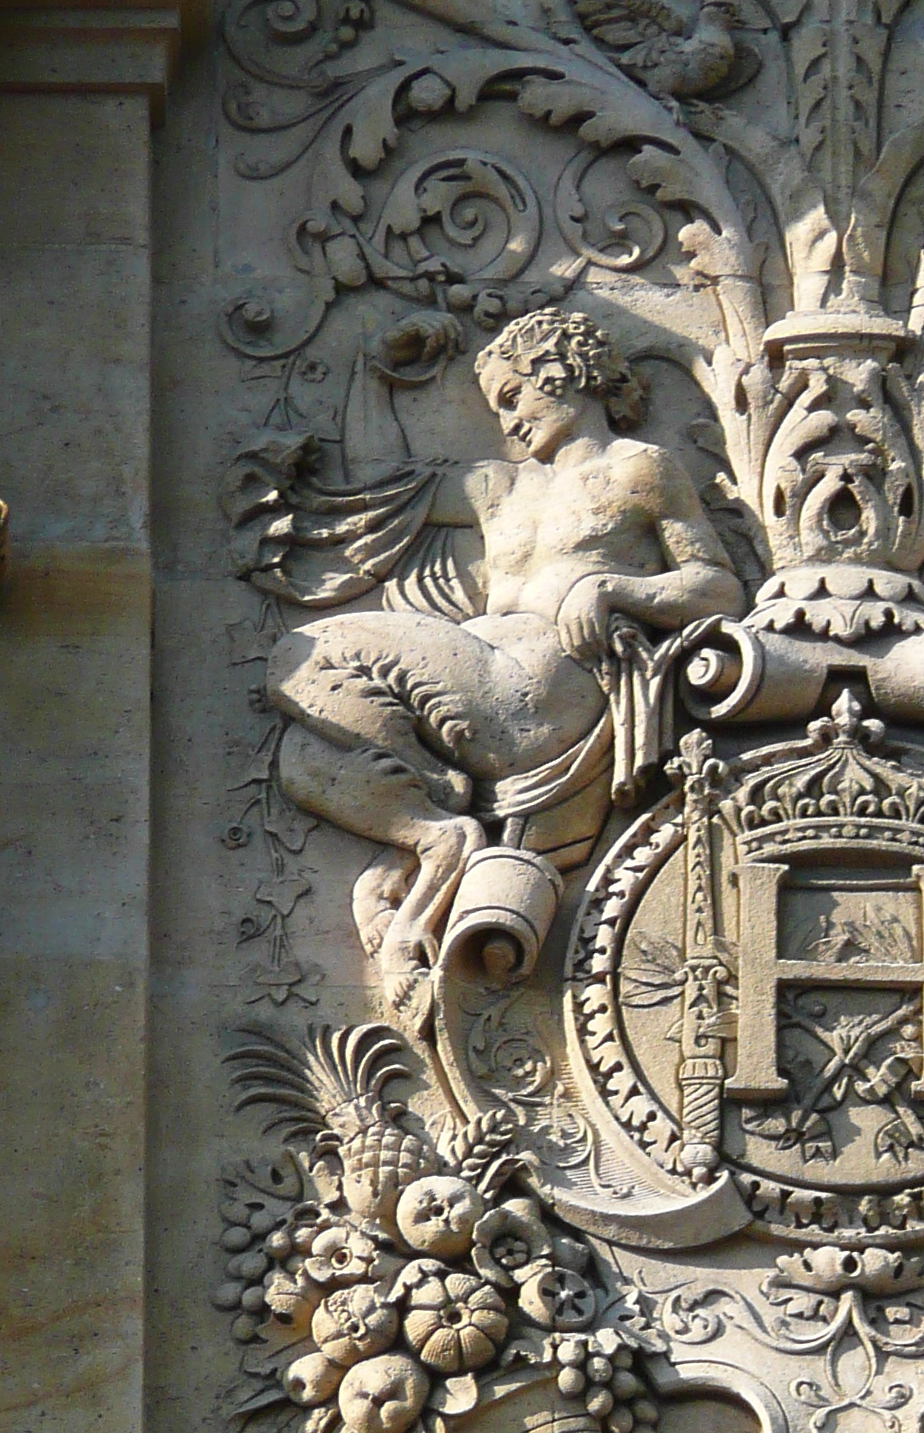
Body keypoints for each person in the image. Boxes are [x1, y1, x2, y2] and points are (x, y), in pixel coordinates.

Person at [265, 310, 743, 985]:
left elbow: (718, 586)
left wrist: (614, 587)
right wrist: (375, 372)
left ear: (561, 371)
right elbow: (378, 479)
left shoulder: (638, 469)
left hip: (538, 696)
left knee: (301, 654)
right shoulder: (499, 487)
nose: (509, 421)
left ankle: (435, 784)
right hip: (474, 683)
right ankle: (438, 833)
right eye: (499, 408)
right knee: (304, 759)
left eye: (514, 398)